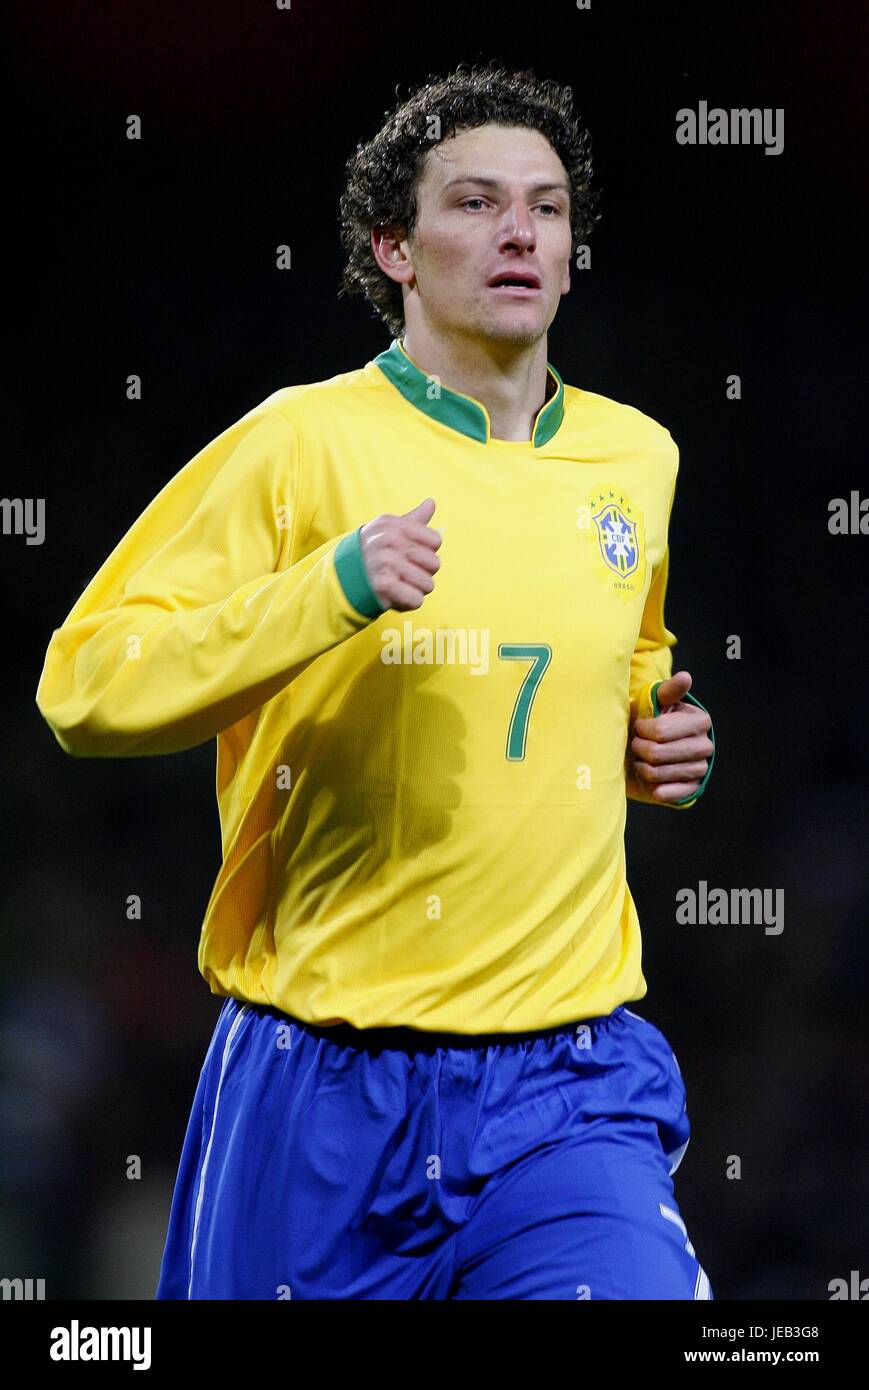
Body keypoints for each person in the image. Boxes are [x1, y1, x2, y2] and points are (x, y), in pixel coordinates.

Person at [35, 61, 716, 1300]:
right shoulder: (299, 441)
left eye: (546, 207)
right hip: (323, 1089)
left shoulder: (637, 457)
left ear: (569, 253)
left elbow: (634, 663)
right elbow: (86, 688)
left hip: (565, 1079)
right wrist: (329, 586)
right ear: (392, 249)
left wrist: (653, 739)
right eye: (473, 203)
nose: (518, 230)